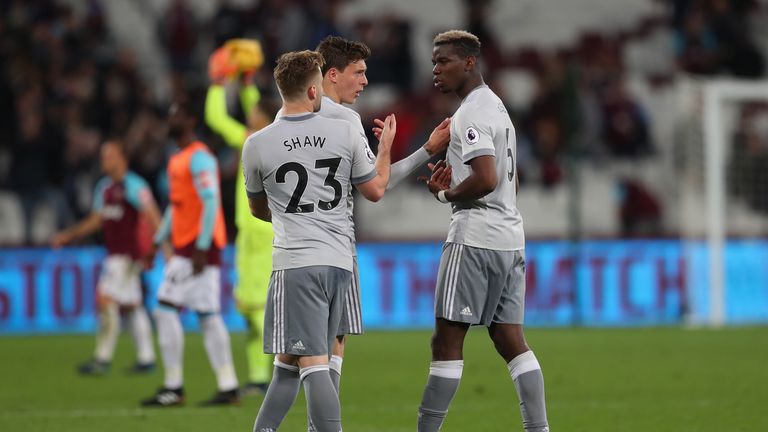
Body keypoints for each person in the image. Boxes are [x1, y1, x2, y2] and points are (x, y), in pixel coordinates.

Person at [295, 35, 450, 430]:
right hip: (335, 251)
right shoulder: (344, 122)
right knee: (328, 347)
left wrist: (422, 150)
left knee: (299, 356)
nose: (365, 82)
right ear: (333, 75)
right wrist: (404, 151)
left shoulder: (295, 117)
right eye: (358, 73)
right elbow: (376, 188)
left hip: (296, 252)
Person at [243, 50, 395, 432]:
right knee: (289, 361)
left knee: (312, 362)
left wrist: (293, 216)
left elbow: (258, 209)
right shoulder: (344, 129)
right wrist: (387, 149)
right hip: (341, 261)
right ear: (314, 90)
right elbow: (374, 187)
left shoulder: (257, 145)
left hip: (296, 263)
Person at [418, 30, 550, 432]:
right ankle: (538, 428)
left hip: (475, 239)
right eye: (434, 62)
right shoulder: (496, 105)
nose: (436, 70)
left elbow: (487, 177)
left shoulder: (470, 113)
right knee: (510, 339)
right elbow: (506, 176)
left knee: (446, 344)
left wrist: (445, 196)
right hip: (510, 238)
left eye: (444, 62)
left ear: (470, 62)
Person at [140, 100, 240, 407]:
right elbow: (177, 205)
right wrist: (158, 239)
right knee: (208, 314)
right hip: (189, 246)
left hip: (197, 248)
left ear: (191, 120)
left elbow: (210, 203)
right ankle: (228, 385)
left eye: (177, 113)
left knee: (165, 309)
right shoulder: (179, 159)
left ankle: (174, 386)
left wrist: (200, 247)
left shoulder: (200, 158)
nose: (171, 118)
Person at [52, 140, 159, 375]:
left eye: (109, 155)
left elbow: (152, 216)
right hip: (115, 254)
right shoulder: (104, 187)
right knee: (131, 305)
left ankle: (102, 358)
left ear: (123, 158)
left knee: (105, 299)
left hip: (129, 255)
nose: (104, 160)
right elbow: (96, 219)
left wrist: (158, 246)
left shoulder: (134, 185)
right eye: (103, 156)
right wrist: (69, 236)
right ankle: (146, 358)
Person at [205, 49, 274, 397]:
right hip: (261, 229)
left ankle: (274, 372)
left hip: (257, 231)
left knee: (255, 307)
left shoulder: (252, 141)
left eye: (254, 115)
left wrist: (219, 84)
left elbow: (215, 119)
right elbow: (254, 111)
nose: (249, 118)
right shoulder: (270, 138)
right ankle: (261, 378)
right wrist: (247, 83)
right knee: (252, 308)